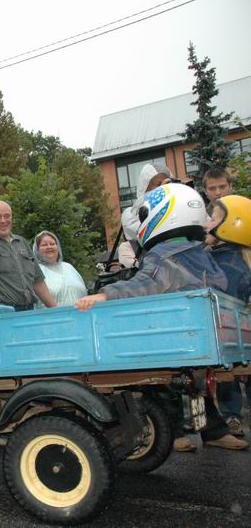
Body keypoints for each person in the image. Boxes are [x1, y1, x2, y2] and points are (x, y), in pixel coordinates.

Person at [74, 184, 247, 451]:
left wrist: (105, 295)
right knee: (188, 382)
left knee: (158, 379)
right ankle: (208, 430)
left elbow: (144, 284)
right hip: (197, 332)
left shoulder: (164, 253)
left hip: (174, 332)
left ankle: (174, 431)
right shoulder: (197, 251)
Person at [206, 194, 251, 439]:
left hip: (225, 334)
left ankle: (230, 416)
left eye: (213, 219)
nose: (207, 223)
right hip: (242, 335)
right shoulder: (243, 259)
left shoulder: (219, 263)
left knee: (225, 375)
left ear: (230, 224)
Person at [33, 231, 87, 307]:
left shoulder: (69, 267)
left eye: (52, 244)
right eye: (44, 245)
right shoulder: (36, 271)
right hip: (52, 314)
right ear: (37, 250)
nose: (49, 247)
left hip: (80, 313)